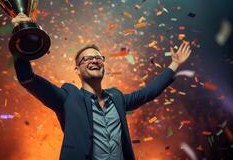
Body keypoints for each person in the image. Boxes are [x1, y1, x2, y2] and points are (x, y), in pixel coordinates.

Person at [11, 13, 191, 160]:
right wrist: (22, 36)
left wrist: (174, 64)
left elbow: (148, 93)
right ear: (77, 70)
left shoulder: (117, 98)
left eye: (98, 58)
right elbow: (28, 79)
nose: (94, 60)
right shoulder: (68, 97)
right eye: (87, 58)